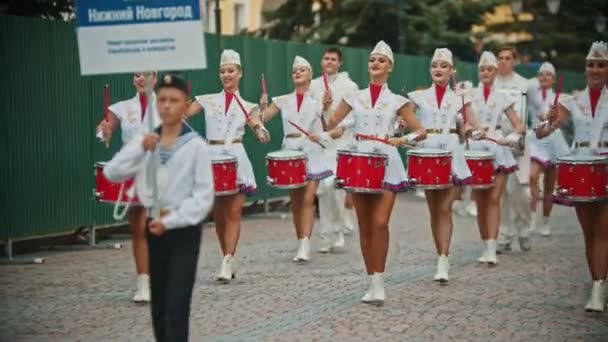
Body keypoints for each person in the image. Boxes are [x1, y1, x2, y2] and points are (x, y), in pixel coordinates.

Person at [104, 74, 214, 339]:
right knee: (160, 306)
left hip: (183, 231)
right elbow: (112, 172)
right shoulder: (148, 140)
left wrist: (170, 220)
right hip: (154, 230)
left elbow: (203, 199)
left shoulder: (195, 146)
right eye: (162, 99)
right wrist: (140, 147)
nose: (166, 106)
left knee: (177, 303)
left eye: (174, 100)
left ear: (186, 106)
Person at [328, 41, 426, 305]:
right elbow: (330, 123)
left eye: (381, 60)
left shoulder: (397, 101)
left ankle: (380, 282)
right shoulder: (354, 96)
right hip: (360, 160)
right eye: (372, 59)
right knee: (364, 224)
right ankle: (370, 282)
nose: (376, 63)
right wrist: (326, 106)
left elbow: (420, 132)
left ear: (390, 67)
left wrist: (402, 141)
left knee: (380, 222)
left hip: (387, 162)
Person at [536, 41, 608, 312]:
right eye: (591, 64)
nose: (595, 69)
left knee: (603, 231)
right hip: (581, 168)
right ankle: (598, 281)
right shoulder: (572, 100)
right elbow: (544, 131)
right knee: (589, 233)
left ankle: (598, 289)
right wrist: (546, 120)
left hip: (606, 166)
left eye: (601, 65)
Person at [188, 50, 270, 282]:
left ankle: (227, 259)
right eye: (223, 71)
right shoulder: (206, 100)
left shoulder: (249, 105)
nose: (226, 75)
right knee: (219, 214)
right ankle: (228, 256)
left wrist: (261, 130)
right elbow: (182, 114)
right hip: (211, 158)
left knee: (233, 212)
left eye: (231, 71)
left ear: (240, 73)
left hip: (236, 158)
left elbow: (257, 126)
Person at [407, 48, 473, 283]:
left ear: (451, 71)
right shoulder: (418, 97)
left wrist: (470, 129)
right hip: (427, 153)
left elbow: (471, 126)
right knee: (433, 208)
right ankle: (440, 255)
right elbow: (405, 120)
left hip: (450, 152)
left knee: (444, 207)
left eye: (443, 65)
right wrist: (404, 130)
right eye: (435, 65)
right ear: (430, 69)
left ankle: (443, 260)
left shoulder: (460, 99)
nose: (438, 69)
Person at [260, 56, 333, 262]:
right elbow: (261, 120)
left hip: (312, 153)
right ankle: (300, 238)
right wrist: (261, 107)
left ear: (310, 76)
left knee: (308, 199)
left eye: (302, 70)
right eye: (295, 71)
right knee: (296, 201)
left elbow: (328, 128)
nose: (298, 73)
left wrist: (327, 108)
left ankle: (305, 244)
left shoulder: (318, 104)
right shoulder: (282, 100)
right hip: (290, 152)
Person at [97, 71, 160, 302]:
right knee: (138, 228)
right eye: (136, 75)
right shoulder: (121, 107)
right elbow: (106, 127)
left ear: (154, 76)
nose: (140, 79)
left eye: (145, 74)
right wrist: (103, 130)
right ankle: (143, 282)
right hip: (134, 173)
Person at [468, 51, 524, 265]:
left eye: (489, 69)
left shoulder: (503, 97)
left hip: (498, 149)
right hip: (476, 150)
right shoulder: (469, 95)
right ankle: (485, 244)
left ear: (496, 71)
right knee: (481, 201)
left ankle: (492, 247)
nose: (485, 72)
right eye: (482, 69)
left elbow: (519, 124)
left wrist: (510, 137)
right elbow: (462, 124)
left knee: (493, 199)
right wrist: (469, 131)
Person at [309, 47, 359, 253]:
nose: (328, 61)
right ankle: (325, 235)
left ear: (340, 63)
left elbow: (356, 113)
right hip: (321, 143)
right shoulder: (313, 85)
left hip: (341, 144)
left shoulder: (350, 86)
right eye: (326, 58)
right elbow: (309, 113)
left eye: (333, 59)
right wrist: (322, 106)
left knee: (335, 187)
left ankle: (338, 230)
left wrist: (342, 127)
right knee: (322, 190)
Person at [493, 46, 533, 253]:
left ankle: (524, 229)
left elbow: (534, 113)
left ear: (515, 60)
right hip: (498, 142)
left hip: (519, 142)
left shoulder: (525, 85)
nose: (503, 62)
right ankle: (504, 235)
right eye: (500, 58)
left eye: (507, 58)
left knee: (521, 190)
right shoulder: (492, 84)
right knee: (501, 192)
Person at [527, 62, 569, 236]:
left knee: (549, 184)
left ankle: (545, 222)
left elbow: (560, 120)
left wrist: (552, 116)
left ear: (554, 79)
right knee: (532, 177)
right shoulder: (531, 94)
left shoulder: (559, 99)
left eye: (548, 75)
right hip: (536, 139)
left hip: (552, 140)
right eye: (541, 74)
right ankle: (531, 218)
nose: (544, 77)